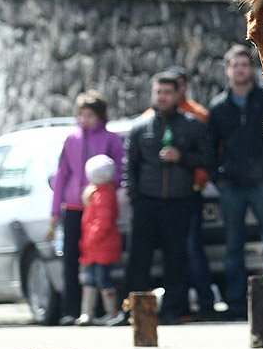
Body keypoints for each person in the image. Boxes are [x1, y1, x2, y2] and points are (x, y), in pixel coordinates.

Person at [207, 45, 263, 319]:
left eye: (244, 64)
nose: (240, 69)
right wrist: (219, 179)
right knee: (233, 246)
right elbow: (210, 147)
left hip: (262, 184)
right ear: (228, 70)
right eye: (235, 65)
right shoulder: (218, 107)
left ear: (251, 68)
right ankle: (236, 303)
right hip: (232, 186)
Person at [125, 74, 210, 323]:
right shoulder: (140, 127)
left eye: (167, 92)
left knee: (176, 259)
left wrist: (181, 156)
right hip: (147, 201)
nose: (162, 97)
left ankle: (174, 310)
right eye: (158, 92)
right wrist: (134, 197)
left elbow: (206, 159)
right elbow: (129, 166)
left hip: (178, 201)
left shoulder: (192, 125)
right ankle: (134, 311)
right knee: (139, 259)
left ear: (177, 95)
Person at [50, 91, 126, 325]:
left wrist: (103, 188)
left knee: (100, 259)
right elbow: (62, 174)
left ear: (100, 116)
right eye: (81, 115)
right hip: (73, 205)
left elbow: (120, 170)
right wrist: (54, 212)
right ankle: (72, 310)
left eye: (90, 115)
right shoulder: (72, 139)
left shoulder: (111, 139)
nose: (85, 120)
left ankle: (105, 311)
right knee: (72, 259)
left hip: (98, 204)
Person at [163, 65, 216, 321]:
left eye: (180, 84)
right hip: (164, 196)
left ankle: (205, 303)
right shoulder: (155, 115)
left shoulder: (198, 115)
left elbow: (207, 153)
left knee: (194, 249)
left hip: (191, 190)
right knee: (175, 251)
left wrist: (200, 179)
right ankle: (179, 306)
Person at [76, 154, 125, 326]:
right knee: (89, 279)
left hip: (101, 245)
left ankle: (112, 312)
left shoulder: (104, 194)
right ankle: (87, 313)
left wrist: (92, 238)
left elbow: (103, 222)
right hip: (93, 246)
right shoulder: (97, 192)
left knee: (103, 279)